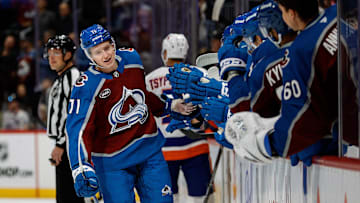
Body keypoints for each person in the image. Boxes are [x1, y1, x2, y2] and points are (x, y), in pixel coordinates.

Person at [224, 0, 345, 164]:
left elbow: (291, 116)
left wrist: (273, 145)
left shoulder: (299, 52)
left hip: (330, 134)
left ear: (291, 14)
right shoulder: (336, 15)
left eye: (283, 10)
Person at [66, 24, 175, 203]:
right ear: (89, 56)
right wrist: (80, 166)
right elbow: (78, 130)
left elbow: (141, 94)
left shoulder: (132, 58)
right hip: (112, 164)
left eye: (107, 47)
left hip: (149, 152)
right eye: (97, 52)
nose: (105, 55)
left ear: (114, 44)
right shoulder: (86, 86)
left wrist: (168, 107)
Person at [145, 33, 213, 203]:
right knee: (202, 197)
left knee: (166, 198)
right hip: (196, 145)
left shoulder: (150, 79)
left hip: (164, 150)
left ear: (165, 53)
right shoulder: (200, 73)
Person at [44, 35, 84, 203]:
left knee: (68, 197)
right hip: (66, 145)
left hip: (70, 146)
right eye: (49, 52)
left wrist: (61, 144)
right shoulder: (62, 78)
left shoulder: (72, 77)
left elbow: (75, 114)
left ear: (68, 55)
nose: (51, 57)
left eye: (56, 52)